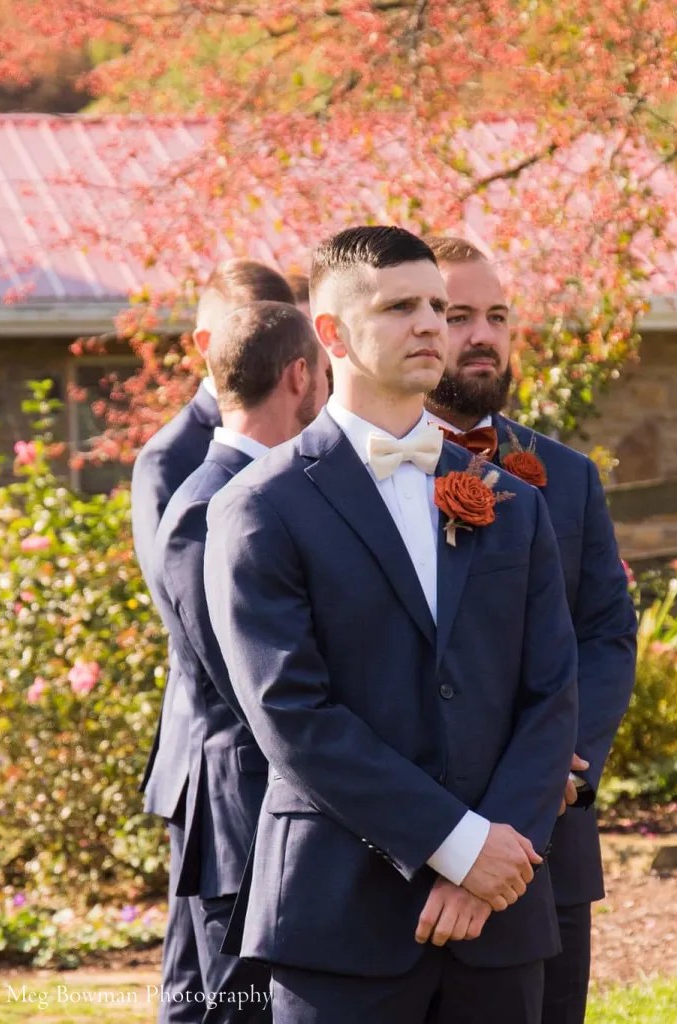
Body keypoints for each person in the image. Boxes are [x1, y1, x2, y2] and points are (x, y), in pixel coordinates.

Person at [204, 226, 579, 1024]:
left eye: (438, 307)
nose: (430, 326)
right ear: (331, 333)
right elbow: (290, 714)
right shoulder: (258, 507)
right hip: (339, 922)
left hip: (501, 923)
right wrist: (454, 845)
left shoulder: (511, 502)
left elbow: (550, 690)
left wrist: (491, 859)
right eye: (399, 306)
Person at [424, 235, 637, 1024]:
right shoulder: (363, 477)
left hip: (550, 842)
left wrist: (562, 771)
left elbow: (606, 634)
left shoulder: (566, 476)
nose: (481, 334)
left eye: (497, 316)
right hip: (409, 852)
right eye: (456, 315)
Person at [152, 302, 329, 1022]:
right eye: (324, 371)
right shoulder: (206, 504)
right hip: (246, 816)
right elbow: (248, 685)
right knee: (240, 1012)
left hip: (284, 806)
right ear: (297, 376)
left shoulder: (279, 489)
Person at [131, 260, 295, 1023]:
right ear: (208, 340)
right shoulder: (175, 459)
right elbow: (191, 614)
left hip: (249, 752)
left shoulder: (298, 442)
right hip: (213, 751)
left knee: (207, 981)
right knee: (208, 980)